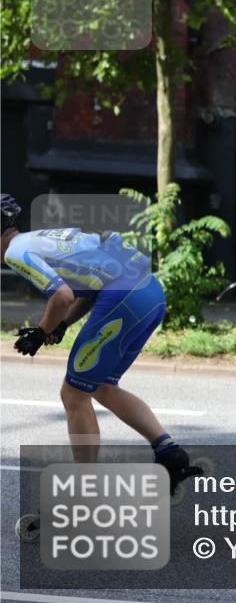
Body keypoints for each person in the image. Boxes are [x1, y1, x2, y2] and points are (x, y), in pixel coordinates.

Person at [1, 193, 200, 494]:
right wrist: (63, 324)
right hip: (150, 294)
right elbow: (90, 288)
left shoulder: (15, 253)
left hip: (124, 298)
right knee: (102, 386)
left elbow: (62, 296)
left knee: (74, 393)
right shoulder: (36, 239)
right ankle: (170, 453)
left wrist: (41, 331)